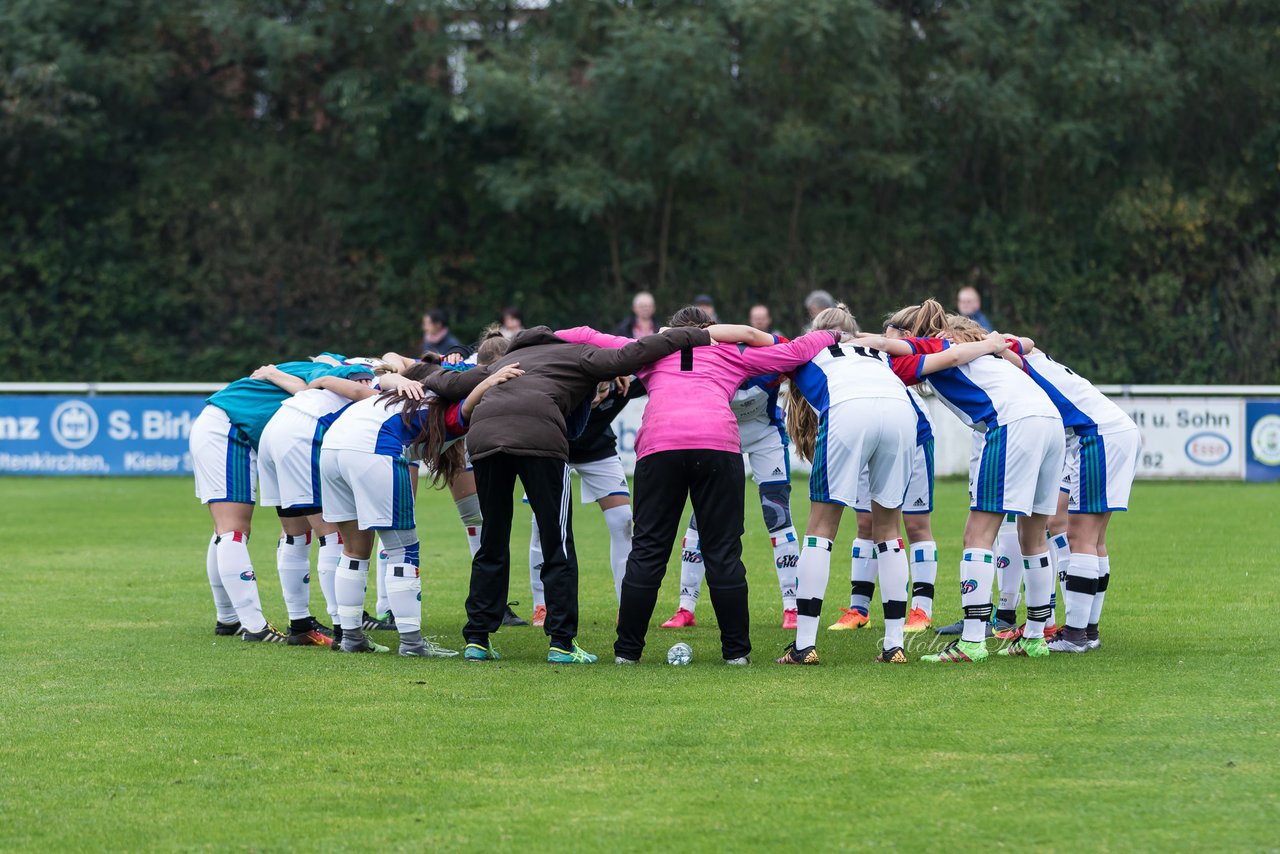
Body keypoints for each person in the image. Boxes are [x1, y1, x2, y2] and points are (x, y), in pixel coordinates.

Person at [558, 309, 843, 666]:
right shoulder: (730, 351)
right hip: (717, 446)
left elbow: (585, 334)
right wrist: (832, 335)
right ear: (713, 330)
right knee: (723, 552)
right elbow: (795, 352)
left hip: (659, 448)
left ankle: (627, 654)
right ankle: (736, 653)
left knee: (647, 552)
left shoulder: (650, 349)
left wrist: (530, 341)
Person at [419, 324, 712, 664]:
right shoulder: (576, 353)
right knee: (556, 541)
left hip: (485, 440)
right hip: (540, 440)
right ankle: (561, 642)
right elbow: (635, 352)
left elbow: (444, 381)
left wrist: (405, 371)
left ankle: (477, 639)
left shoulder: (505, 362)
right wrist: (697, 336)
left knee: (492, 541)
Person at [776, 306, 999, 665]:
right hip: (900, 414)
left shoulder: (804, 348)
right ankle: (893, 645)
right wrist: (992, 343)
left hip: (849, 411)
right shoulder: (882, 354)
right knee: (889, 530)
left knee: (821, 529)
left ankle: (804, 646)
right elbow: (945, 356)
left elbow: (755, 347)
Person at [889, 302, 1065, 663]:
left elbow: (894, 354)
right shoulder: (986, 352)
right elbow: (1026, 344)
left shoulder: (935, 349)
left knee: (978, 534)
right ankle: (1034, 636)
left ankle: (972, 641)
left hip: (1012, 424)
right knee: (1033, 535)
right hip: (1050, 422)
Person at [319, 360, 521, 655]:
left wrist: (395, 379)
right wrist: (490, 382)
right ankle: (412, 643)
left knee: (353, 549)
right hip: (374, 450)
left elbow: (384, 378)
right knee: (404, 549)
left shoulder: (397, 395)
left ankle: (351, 637)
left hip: (332, 450)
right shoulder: (438, 406)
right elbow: (467, 409)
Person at [188, 355, 374, 642]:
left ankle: (231, 619)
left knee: (281, 531)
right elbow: (309, 389)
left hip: (246, 431)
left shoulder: (314, 370)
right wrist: (276, 374)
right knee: (233, 529)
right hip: (228, 427)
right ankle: (254, 626)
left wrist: (274, 373)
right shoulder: (328, 369)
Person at [1008, 345, 1141, 653]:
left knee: (1080, 534)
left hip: (1098, 435)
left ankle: (1076, 635)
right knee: (1085, 534)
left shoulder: (1017, 363)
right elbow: (1026, 343)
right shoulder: (1037, 356)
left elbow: (1013, 352)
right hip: (1103, 433)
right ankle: (1086, 631)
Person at [256, 361, 392, 645]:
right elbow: (361, 392)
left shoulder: (319, 385)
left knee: (295, 535)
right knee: (333, 534)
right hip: (303, 434)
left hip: (275, 430)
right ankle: (344, 628)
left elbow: (316, 385)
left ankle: (300, 624)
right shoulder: (369, 389)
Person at [661, 365, 801, 631]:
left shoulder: (769, 365)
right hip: (722, 436)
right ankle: (685, 607)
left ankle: (792, 607)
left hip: (766, 437)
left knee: (778, 516)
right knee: (701, 515)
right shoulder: (712, 366)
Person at [828, 308, 940, 634]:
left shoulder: (897, 354)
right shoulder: (856, 356)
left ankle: (921, 609)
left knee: (916, 525)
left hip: (915, 440)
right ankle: (859, 609)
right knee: (865, 523)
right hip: (870, 440)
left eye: (890, 333)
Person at [526, 376, 642, 623]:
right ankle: (541, 605)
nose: (596, 399)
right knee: (542, 524)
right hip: (554, 450)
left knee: (623, 522)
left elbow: (657, 358)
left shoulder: (624, 385)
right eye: (591, 392)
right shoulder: (564, 384)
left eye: (602, 392)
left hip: (598, 451)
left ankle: (628, 606)